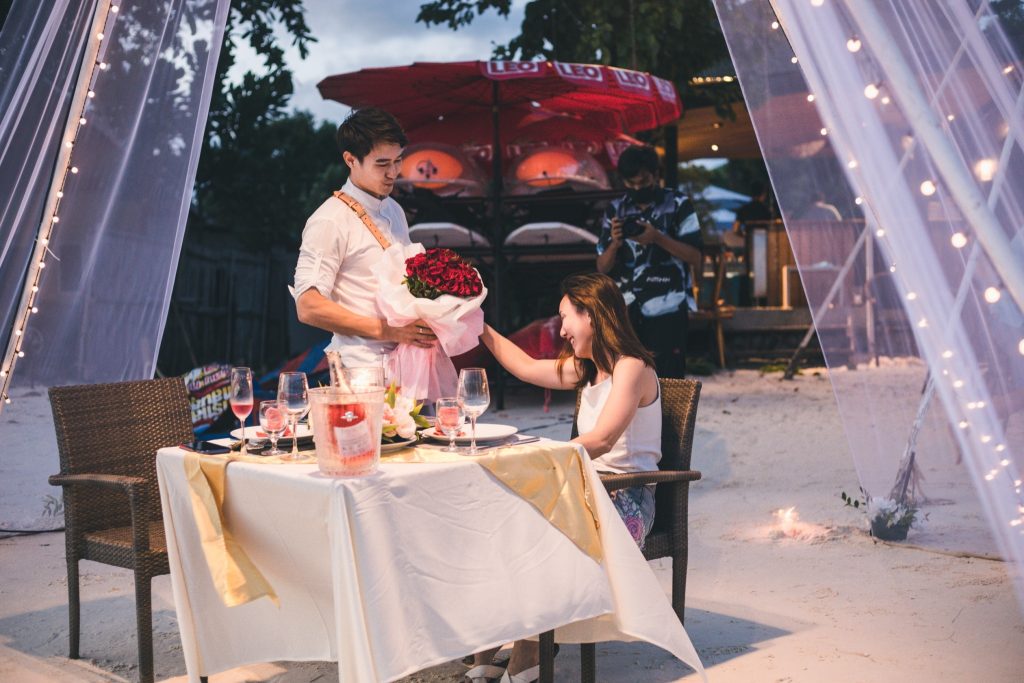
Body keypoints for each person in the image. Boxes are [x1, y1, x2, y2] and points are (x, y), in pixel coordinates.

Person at [467, 272, 661, 683]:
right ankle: (504, 638)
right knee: (506, 519)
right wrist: (477, 324)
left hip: (626, 497)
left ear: (591, 314)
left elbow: (605, 439)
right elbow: (523, 366)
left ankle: (530, 650)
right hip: (585, 488)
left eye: (565, 316)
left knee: (541, 532)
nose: (562, 329)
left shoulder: (633, 368)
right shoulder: (587, 370)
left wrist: (543, 458)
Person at [293, 107, 436, 367]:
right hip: (359, 370)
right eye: (382, 164)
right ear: (350, 160)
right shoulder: (329, 219)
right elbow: (308, 306)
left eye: (398, 160)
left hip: (407, 365)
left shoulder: (394, 209)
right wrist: (389, 331)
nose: (393, 173)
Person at [596, 145, 702, 378]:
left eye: (642, 183)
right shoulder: (616, 209)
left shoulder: (678, 204)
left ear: (656, 175)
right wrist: (614, 243)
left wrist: (657, 237)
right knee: (626, 378)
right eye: (630, 184)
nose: (636, 189)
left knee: (669, 378)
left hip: (668, 303)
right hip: (625, 305)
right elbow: (602, 267)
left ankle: (667, 417)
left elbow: (695, 257)